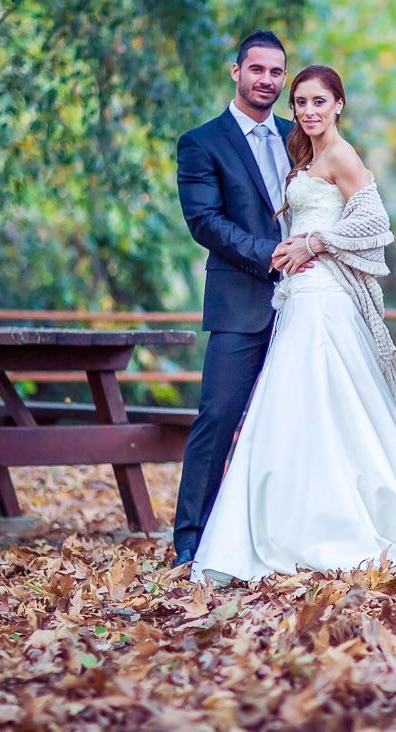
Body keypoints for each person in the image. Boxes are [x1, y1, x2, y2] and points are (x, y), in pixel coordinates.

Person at [190, 64, 396, 585]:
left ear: (338, 104)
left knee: (327, 398)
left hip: (325, 293)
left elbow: (375, 222)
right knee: (295, 404)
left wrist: (317, 242)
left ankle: (342, 520)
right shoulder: (304, 155)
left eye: (319, 102)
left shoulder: (341, 154)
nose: (309, 112)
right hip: (296, 297)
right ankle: (286, 518)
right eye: (301, 103)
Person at [172, 31, 314, 568]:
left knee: (296, 420)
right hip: (241, 303)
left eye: (277, 72)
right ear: (236, 72)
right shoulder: (201, 143)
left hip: (307, 305)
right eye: (257, 70)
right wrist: (274, 253)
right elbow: (204, 222)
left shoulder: (299, 134)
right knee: (219, 416)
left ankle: (279, 532)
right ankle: (191, 538)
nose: (268, 81)